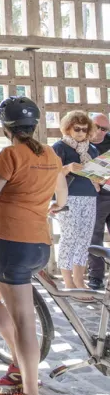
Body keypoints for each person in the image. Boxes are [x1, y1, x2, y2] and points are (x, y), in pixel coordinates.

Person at [0, 96, 66, 395]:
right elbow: (62, 198)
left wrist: (1, 219)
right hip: (39, 245)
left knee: (25, 322)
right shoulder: (52, 155)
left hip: (12, 244)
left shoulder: (10, 155)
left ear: (6, 128)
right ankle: (19, 364)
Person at [53, 111, 101, 295]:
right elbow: (51, 174)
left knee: (84, 239)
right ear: (68, 128)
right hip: (68, 197)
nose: (81, 132)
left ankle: (79, 280)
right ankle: (68, 282)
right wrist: (68, 168)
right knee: (69, 238)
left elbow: (97, 176)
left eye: (84, 129)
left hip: (90, 196)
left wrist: (99, 177)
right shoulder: (59, 147)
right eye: (77, 129)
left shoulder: (92, 149)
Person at [87, 112, 110, 290]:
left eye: (105, 129)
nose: (101, 132)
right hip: (95, 195)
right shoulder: (82, 142)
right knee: (94, 235)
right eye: (98, 127)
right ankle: (96, 277)